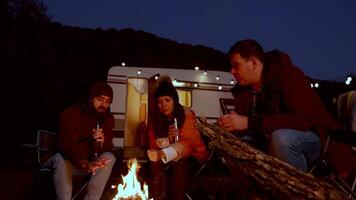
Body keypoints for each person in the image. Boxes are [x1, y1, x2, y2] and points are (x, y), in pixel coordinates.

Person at [218, 39, 345, 173]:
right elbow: (251, 128)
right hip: (270, 139)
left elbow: (302, 120)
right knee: (239, 144)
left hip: (319, 138)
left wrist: (248, 122)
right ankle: (254, 191)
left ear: (253, 63)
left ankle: (297, 190)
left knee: (281, 138)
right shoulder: (244, 91)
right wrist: (232, 125)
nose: (232, 71)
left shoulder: (288, 76)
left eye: (236, 65)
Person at [43, 81, 116, 200]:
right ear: (91, 99)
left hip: (89, 164)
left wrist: (103, 143)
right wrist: (83, 161)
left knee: (109, 157)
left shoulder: (107, 119)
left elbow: (107, 147)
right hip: (69, 161)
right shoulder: (71, 114)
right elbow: (66, 145)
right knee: (62, 159)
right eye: (100, 99)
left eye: (108, 101)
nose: (104, 104)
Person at [146, 78, 208, 200]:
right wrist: (168, 140)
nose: (163, 104)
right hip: (169, 154)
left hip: (192, 155)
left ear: (174, 100)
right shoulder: (155, 119)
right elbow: (152, 143)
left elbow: (190, 143)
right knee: (155, 160)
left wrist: (168, 149)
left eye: (167, 100)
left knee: (179, 163)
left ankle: (178, 197)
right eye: (159, 101)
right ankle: (158, 196)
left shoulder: (186, 115)